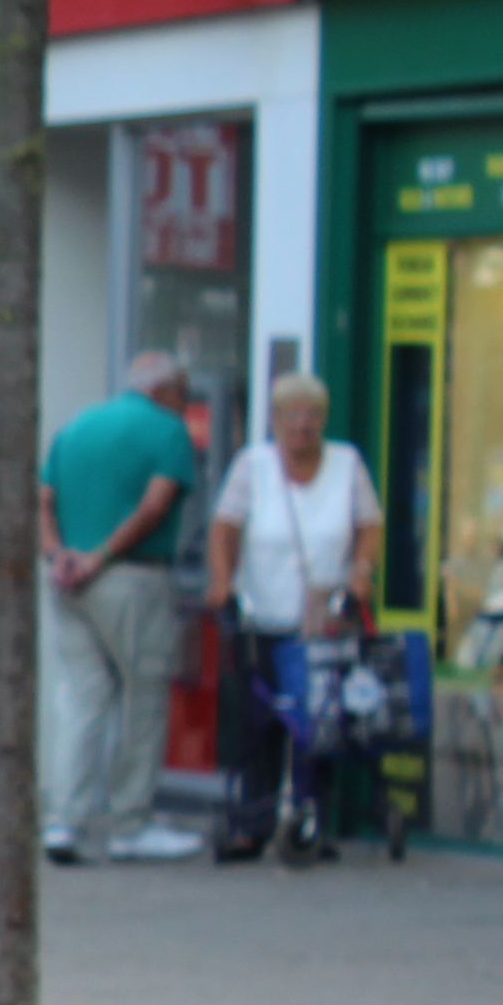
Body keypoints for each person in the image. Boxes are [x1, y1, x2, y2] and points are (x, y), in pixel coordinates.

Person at [205, 369, 382, 865]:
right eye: (292, 415)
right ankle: (251, 824)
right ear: (275, 420)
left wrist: (361, 573)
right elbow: (224, 527)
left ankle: (312, 821)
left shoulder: (347, 463)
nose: (302, 425)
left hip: (324, 619)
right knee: (259, 723)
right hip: (264, 613)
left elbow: (369, 524)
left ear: (323, 420)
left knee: (318, 726)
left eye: (311, 415)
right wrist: (223, 582)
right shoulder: (253, 465)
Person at [37, 354, 204, 864]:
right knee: (144, 694)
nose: (187, 399)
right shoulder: (169, 430)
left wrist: (59, 554)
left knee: (81, 698)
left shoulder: (79, 425)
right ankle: (131, 821)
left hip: (67, 579)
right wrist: (102, 557)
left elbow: (43, 497)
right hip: (131, 576)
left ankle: (64, 821)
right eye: (184, 390)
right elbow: (156, 505)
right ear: (168, 389)